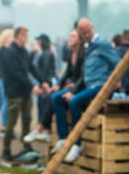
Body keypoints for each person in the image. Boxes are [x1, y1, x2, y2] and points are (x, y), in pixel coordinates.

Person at [51, 18, 120, 162]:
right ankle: (63, 138)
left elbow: (118, 63)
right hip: (88, 86)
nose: (86, 35)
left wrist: (116, 81)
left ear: (92, 28)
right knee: (57, 98)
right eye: (83, 33)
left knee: (74, 101)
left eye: (88, 31)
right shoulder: (87, 47)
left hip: (101, 85)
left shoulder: (103, 44)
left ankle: (77, 144)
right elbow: (83, 74)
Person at [0, 27, 43, 161]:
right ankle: (6, 149)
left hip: (25, 92)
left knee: (27, 120)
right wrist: (32, 87)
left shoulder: (24, 52)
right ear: (18, 36)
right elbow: (17, 74)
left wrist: (43, 81)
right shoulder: (9, 52)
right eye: (25, 36)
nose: (27, 39)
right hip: (14, 93)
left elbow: (31, 68)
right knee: (11, 123)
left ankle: (26, 146)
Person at [24, 34, 57, 143]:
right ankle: (44, 130)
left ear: (42, 42)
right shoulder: (45, 53)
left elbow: (46, 70)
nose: (36, 43)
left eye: (38, 41)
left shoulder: (47, 54)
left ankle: (44, 130)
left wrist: (44, 83)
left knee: (43, 106)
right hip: (45, 82)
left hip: (46, 84)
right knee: (42, 106)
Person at [0, 29, 14, 136]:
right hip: (3, 79)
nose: (13, 38)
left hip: (6, 79)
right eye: (12, 36)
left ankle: (8, 126)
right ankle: (4, 126)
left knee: (8, 102)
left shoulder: (8, 49)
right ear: (6, 38)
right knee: (6, 101)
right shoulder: (3, 50)